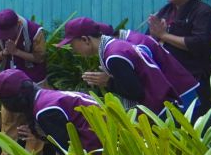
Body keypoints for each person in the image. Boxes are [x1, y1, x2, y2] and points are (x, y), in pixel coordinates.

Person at [59, 16, 197, 115]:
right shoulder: (116, 46)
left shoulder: (113, 55)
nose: (73, 49)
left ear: (85, 39)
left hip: (161, 109)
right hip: (167, 101)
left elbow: (135, 92)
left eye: (72, 44)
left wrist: (108, 82)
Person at [0, 68, 101, 155]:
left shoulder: (45, 111)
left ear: (14, 100)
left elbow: (68, 150)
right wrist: (40, 133)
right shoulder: (45, 98)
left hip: (98, 145)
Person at [148, 0, 211, 88]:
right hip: (167, 77)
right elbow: (150, 37)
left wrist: (164, 35)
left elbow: (199, 43)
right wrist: (154, 34)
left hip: (194, 78)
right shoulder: (167, 10)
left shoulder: (204, 12)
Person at [0, 9, 48, 147]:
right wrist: (5, 52)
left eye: (10, 32)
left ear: (18, 24)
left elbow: (40, 58)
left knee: (36, 124)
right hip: (9, 85)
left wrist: (16, 52)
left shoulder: (35, 31)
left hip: (34, 82)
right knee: (8, 123)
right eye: (3, 34)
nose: (6, 36)